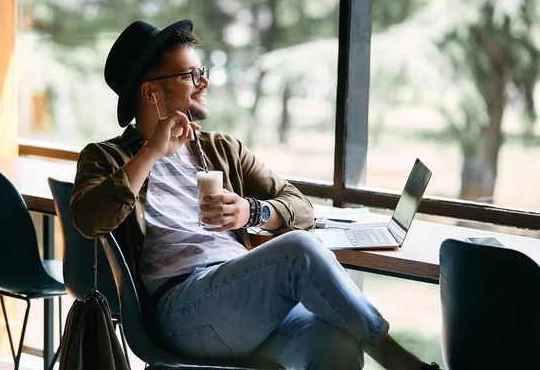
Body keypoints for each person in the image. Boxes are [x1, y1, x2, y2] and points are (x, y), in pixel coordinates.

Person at [70, 19, 440, 370]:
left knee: (337, 348)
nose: (204, 83)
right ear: (151, 92)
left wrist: (253, 212)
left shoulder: (220, 149)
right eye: (191, 75)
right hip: (182, 310)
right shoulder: (106, 157)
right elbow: (90, 220)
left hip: (243, 300)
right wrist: (151, 151)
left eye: (204, 73)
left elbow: (300, 206)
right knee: (299, 250)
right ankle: (399, 361)